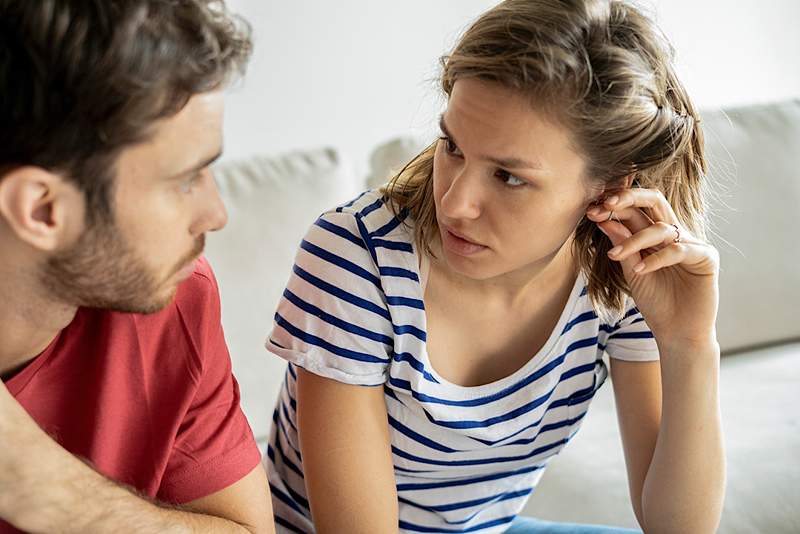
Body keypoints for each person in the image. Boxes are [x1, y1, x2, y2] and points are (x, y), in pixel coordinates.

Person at [263, 0, 726, 533]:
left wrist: (690, 342)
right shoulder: (354, 257)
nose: (455, 203)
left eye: (508, 176)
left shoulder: (628, 275)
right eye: (452, 147)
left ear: (612, 186)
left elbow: (680, 528)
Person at [0, 1, 274, 532]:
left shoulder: (173, 298)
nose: (216, 216)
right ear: (42, 209)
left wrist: (44, 487)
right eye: (186, 179)